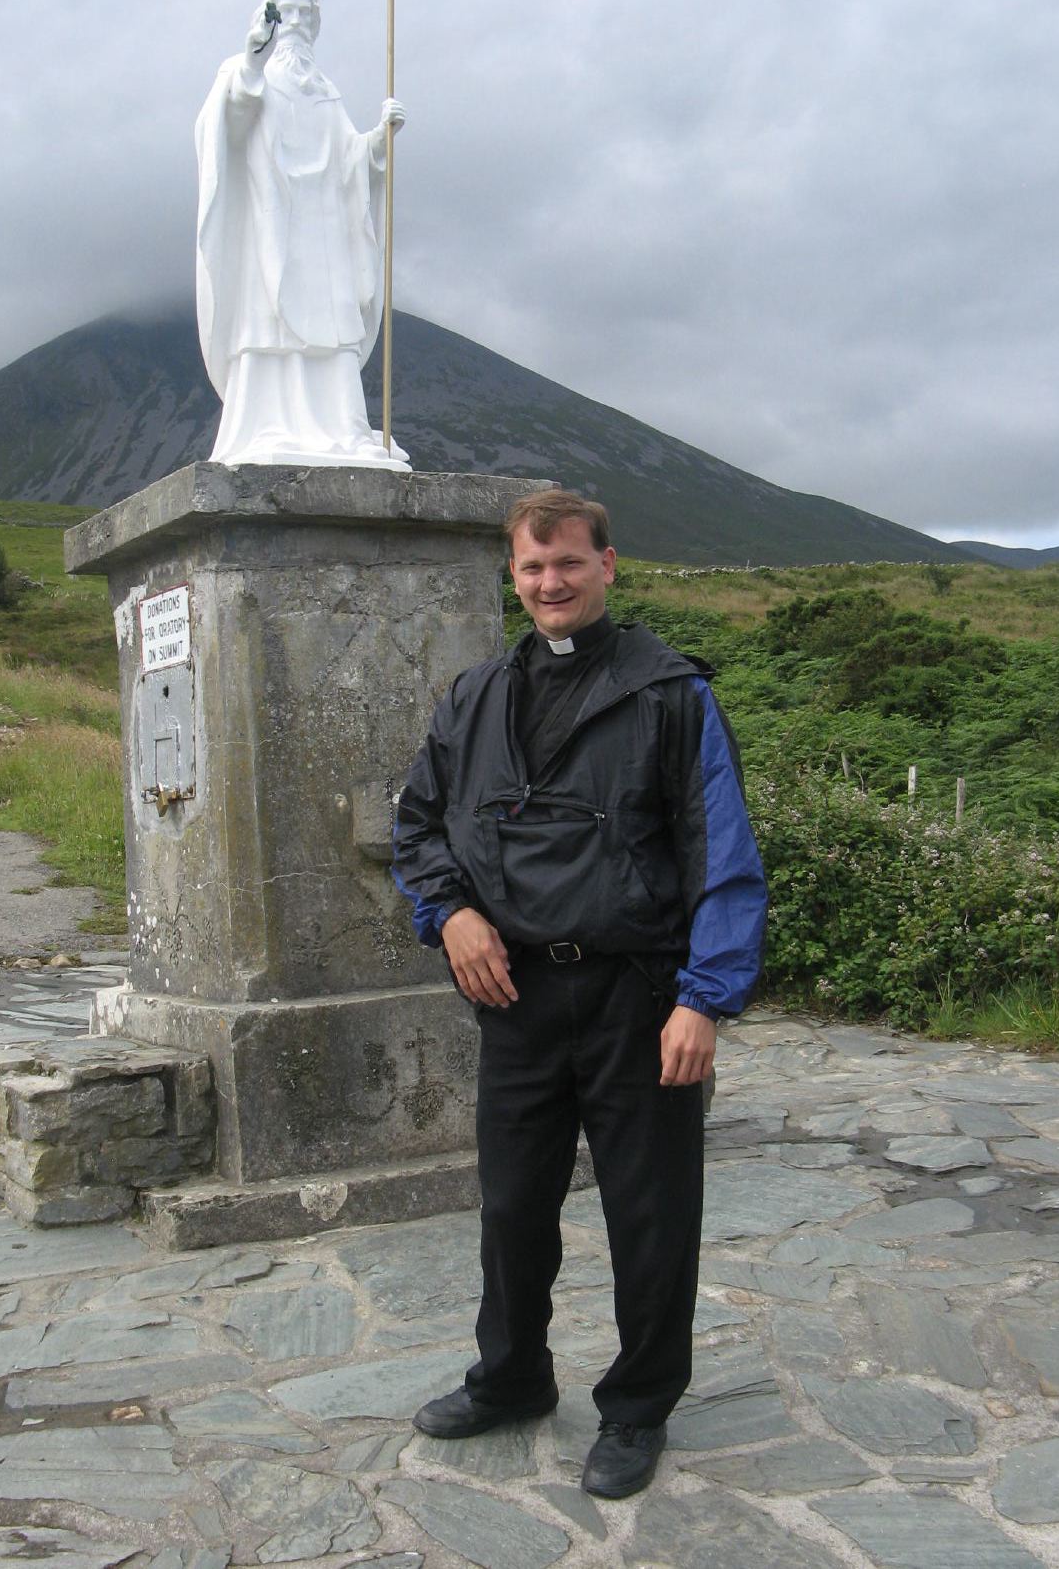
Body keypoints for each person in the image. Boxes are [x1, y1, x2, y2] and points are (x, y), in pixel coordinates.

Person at [392, 489, 767, 1499]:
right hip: (513, 995)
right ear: (511, 577)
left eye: (567, 562)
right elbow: (417, 825)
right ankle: (512, 1376)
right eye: (531, 566)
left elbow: (721, 853)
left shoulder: (672, 696)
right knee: (512, 1206)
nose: (549, 582)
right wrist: (450, 914)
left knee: (651, 1213)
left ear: (607, 564)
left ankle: (637, 1407)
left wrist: (704, 998)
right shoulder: (474, 698)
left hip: (638, 998)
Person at [194, 0, 410, 469]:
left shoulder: (325, 92)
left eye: (304, 14)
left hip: (324, 236)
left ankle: (345, 429)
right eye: (284, 13)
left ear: (315, 23)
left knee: (334, 331)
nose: (294, 23)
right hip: (272, 232)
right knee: (270, 328)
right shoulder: (247, 75)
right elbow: (229, 122)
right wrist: (252, 59)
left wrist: (379, 140)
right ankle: (269, 424)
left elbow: (348, 160)